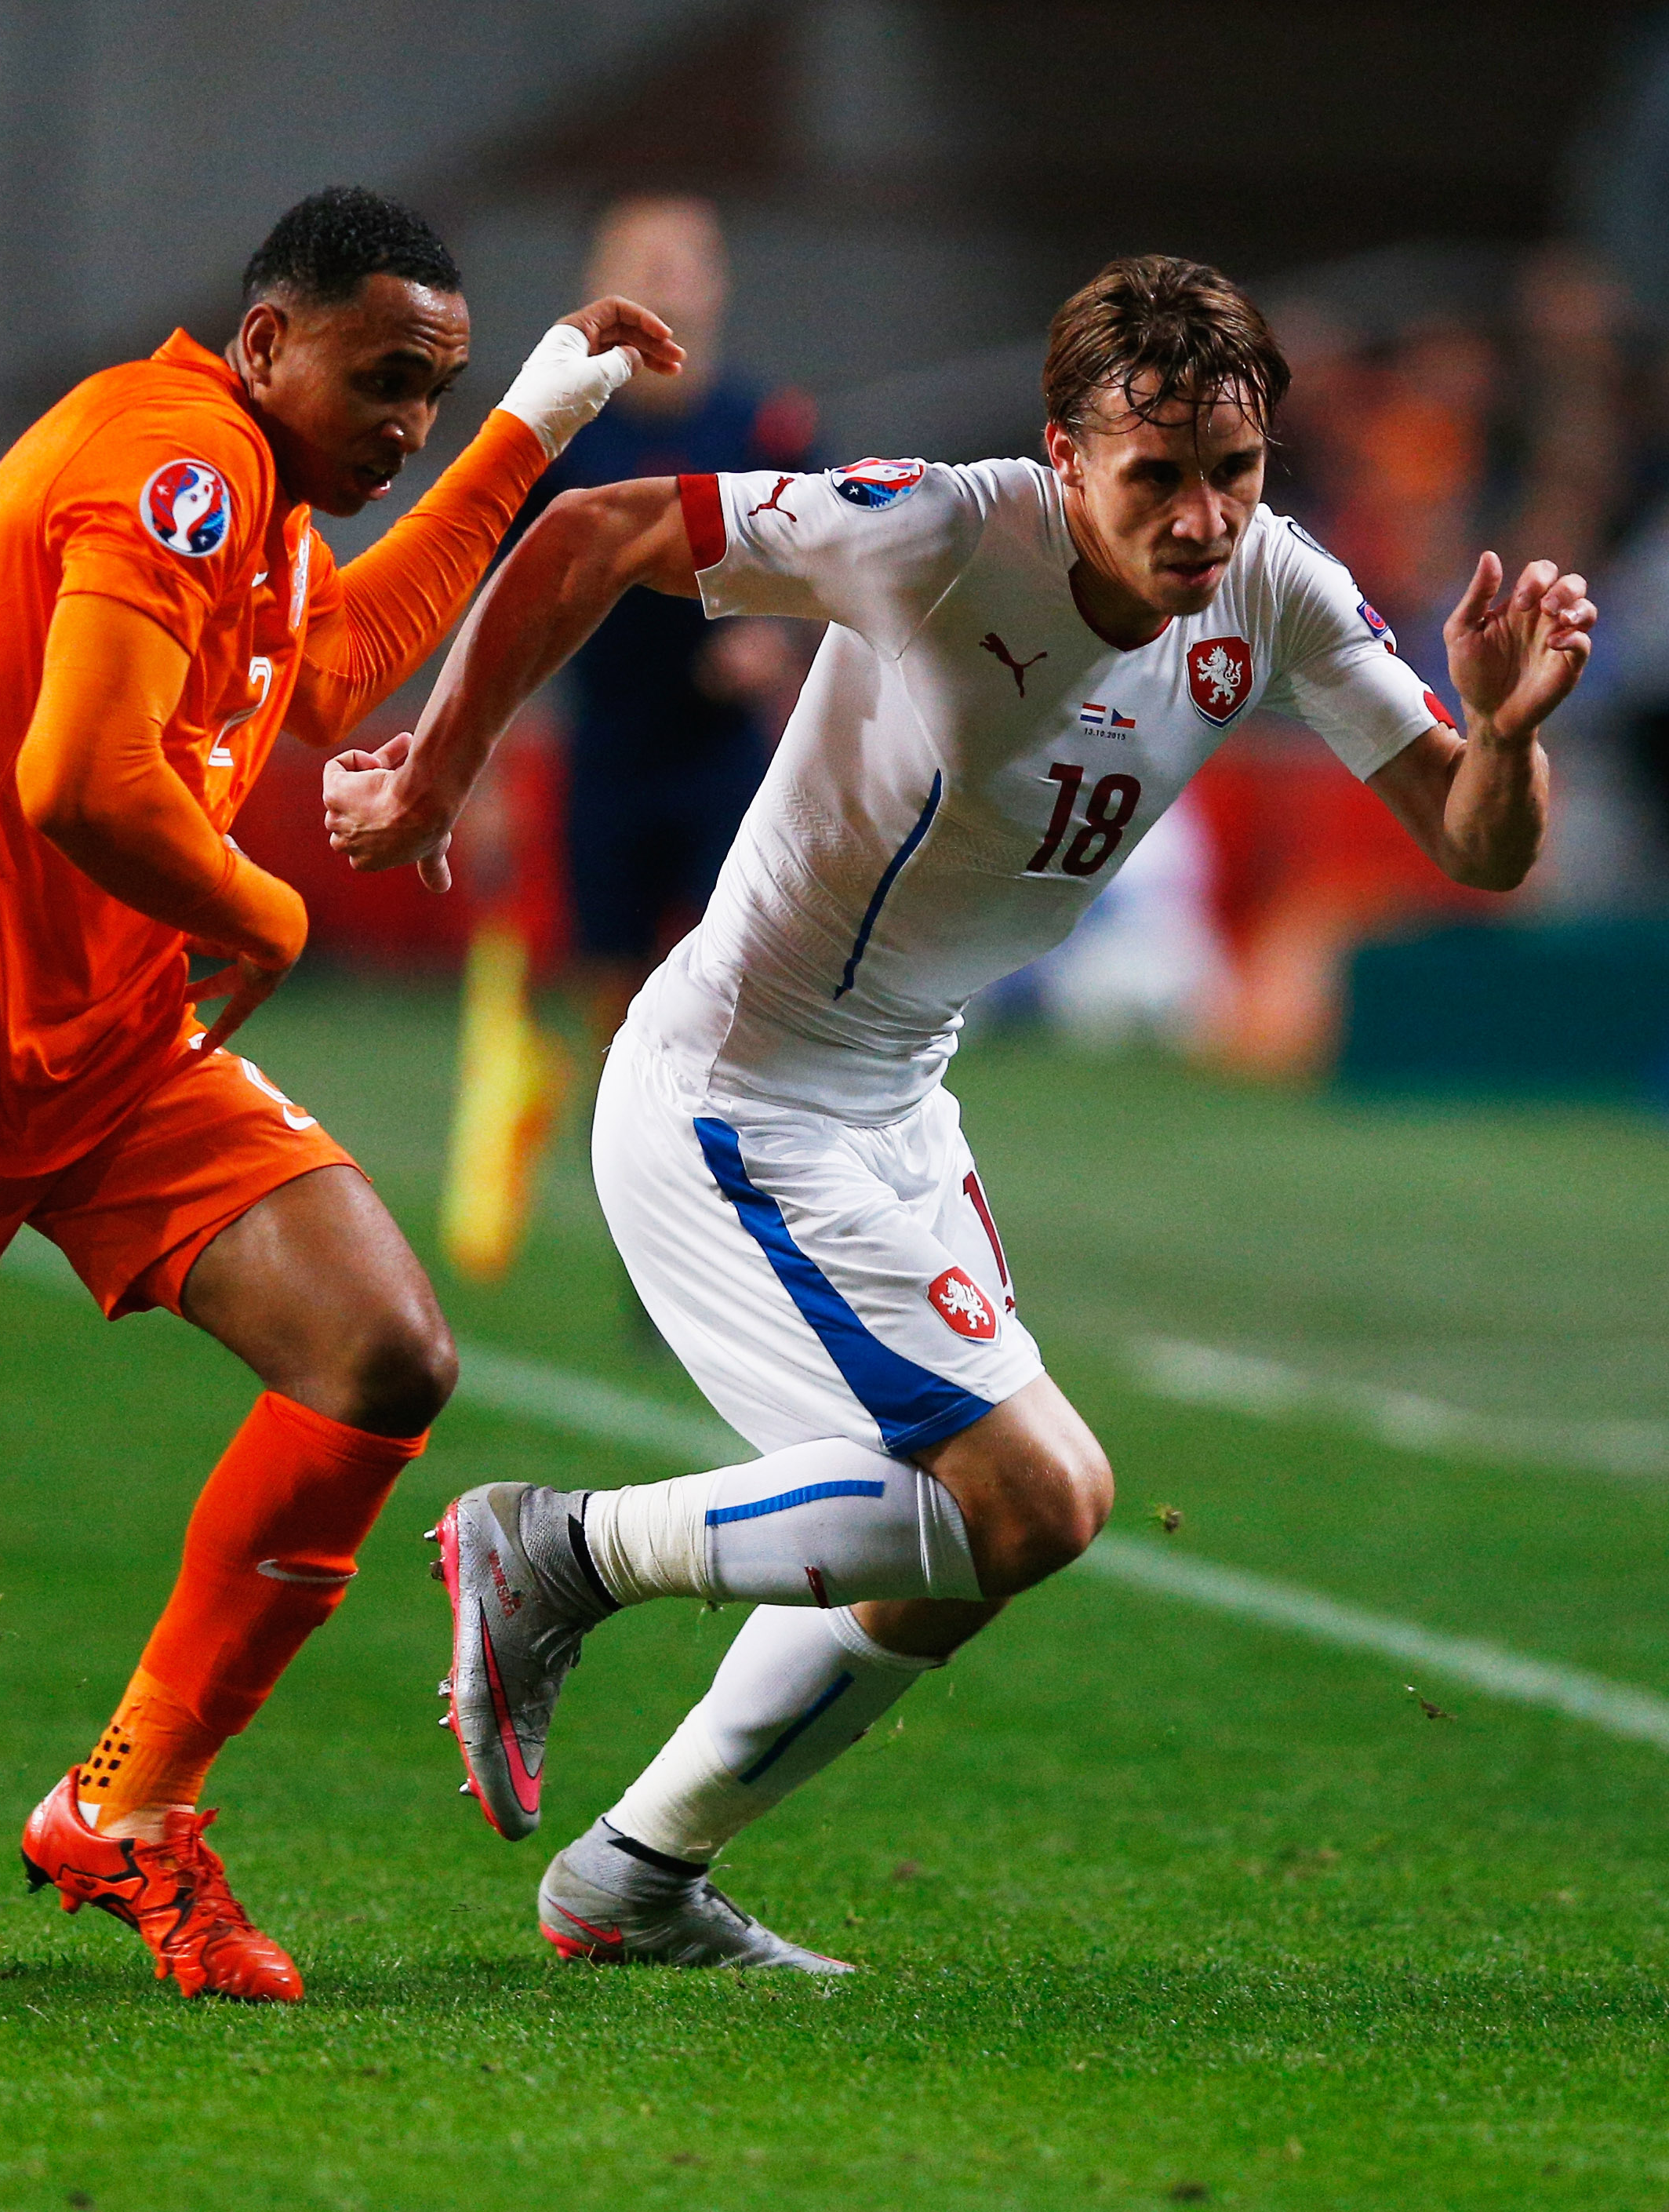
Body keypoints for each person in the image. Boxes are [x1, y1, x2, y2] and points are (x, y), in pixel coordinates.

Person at [324, 254, 1595, 1967]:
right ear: (1062, 457)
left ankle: (635, 1873)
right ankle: (555, 1552)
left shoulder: (1276, 585)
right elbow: (597, 529)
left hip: (901, 1104)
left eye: (1236, 471)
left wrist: (1506, 735)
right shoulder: (930, 531)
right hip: (734, 1096)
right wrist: (437, 763)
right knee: (1039, 1498)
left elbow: (1478, 845)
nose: (1205, 517)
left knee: (964, 1549)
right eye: (1158, 476)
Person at [0, 185, 679, 2001]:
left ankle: (131, 1803)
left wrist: (536, 416)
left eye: (434, 383)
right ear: (265, 346)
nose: (404, 420)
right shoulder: (173, 460)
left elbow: (329, 665)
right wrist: (262, 903)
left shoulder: (263, 502)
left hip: (106, 1043)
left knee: (382, 1353)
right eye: (381, 378)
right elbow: (82, 772)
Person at [528, 196, 817, 1039]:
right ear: (598, 287)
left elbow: (842, 577)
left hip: (723, 752)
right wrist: (476, 770)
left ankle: (714, 1143)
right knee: (609, 984)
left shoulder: (770, 430)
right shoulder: (558, 439)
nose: (671, 286)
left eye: (688, 264)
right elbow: (499, 601)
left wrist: (782, 639)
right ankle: (618, 1142)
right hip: (606, 745)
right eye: (646, 266)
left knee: (727, 974)